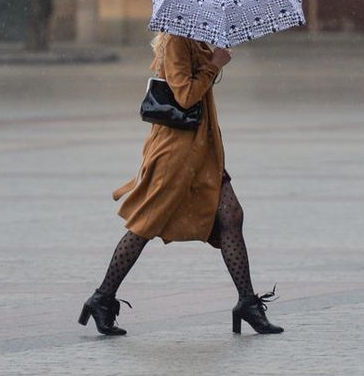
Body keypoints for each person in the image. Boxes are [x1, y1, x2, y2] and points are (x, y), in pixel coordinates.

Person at [78, 32, 283, 336]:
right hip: (176, 153)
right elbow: (185, 95)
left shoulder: (194, 40)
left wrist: (211, 59)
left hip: (200, 152)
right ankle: (102, 298)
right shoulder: (176, 40)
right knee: (145, 225)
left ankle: (247, 303)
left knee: (231, 215)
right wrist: (215, 63)